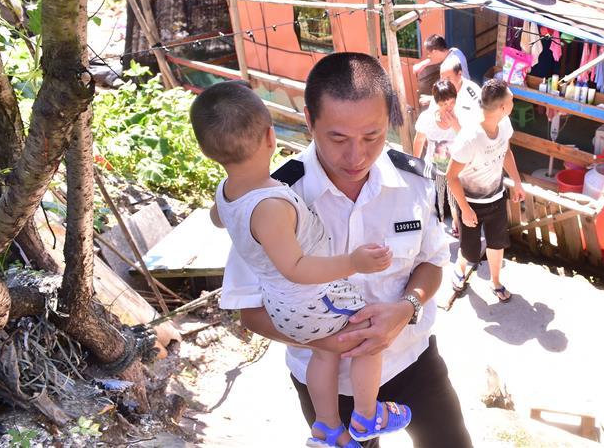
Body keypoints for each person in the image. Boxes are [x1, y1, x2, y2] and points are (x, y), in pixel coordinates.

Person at [219, 53, 473, 448]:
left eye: (372, 136)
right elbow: (249, 310)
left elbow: (433, 263)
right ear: (309, 120)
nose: (356, 157)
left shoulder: (420, 181)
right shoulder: (271, 201)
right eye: (338, 138)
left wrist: (406, 308)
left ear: (389, 117)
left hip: (412, 360)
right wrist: (319, 342)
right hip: (326, 383)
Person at [191, 82, 412, 447]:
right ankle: (367, 413)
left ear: (206, 151)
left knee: (324, 352)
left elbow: (218, 218)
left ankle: (327, 426)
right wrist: (354, 262)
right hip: (309, 298)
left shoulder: (227, 191)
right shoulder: (270, 206)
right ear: (270, 137)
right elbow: (295, 267)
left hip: (285, 306)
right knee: (370, 335)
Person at [446, 78, 525, 303]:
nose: (513, 104)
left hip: (497, 197)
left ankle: (495, 281)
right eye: (511, 101)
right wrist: (465, 209)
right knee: (470, 252)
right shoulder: (469, 138)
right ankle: (460, 269)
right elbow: (451, 177)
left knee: (497, 243)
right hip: (471, 203)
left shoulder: (504, 123)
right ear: (501, 107)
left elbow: (506, 152)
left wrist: (517, 182)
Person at [412, 79, 461, 237]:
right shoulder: (427, 118)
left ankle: (456, 222)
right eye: (444, 104)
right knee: (436, 195)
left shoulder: (461, 116)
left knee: (454, 197)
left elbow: (468, 140)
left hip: (454, 168)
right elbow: (419, 140)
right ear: (437, 103)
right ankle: (438, 224)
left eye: (451, 102)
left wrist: (456, 125)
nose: (449, 107)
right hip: (433, 167)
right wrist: (415, 164)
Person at [413, 35, 469, 106]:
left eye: (428, 54)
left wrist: (432, 99)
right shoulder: (455, 51)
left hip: (461, 101)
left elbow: (455, 92)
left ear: (435, 52)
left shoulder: (448, 67)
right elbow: (438, 58)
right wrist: (424, 64)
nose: (428, 56)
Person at [439, 55, 482, 127]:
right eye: (442, 78)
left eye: (448, 78)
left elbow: (480, 119)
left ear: (459, 74)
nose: (444, 82)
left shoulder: (473, 93)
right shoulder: (441, 87)